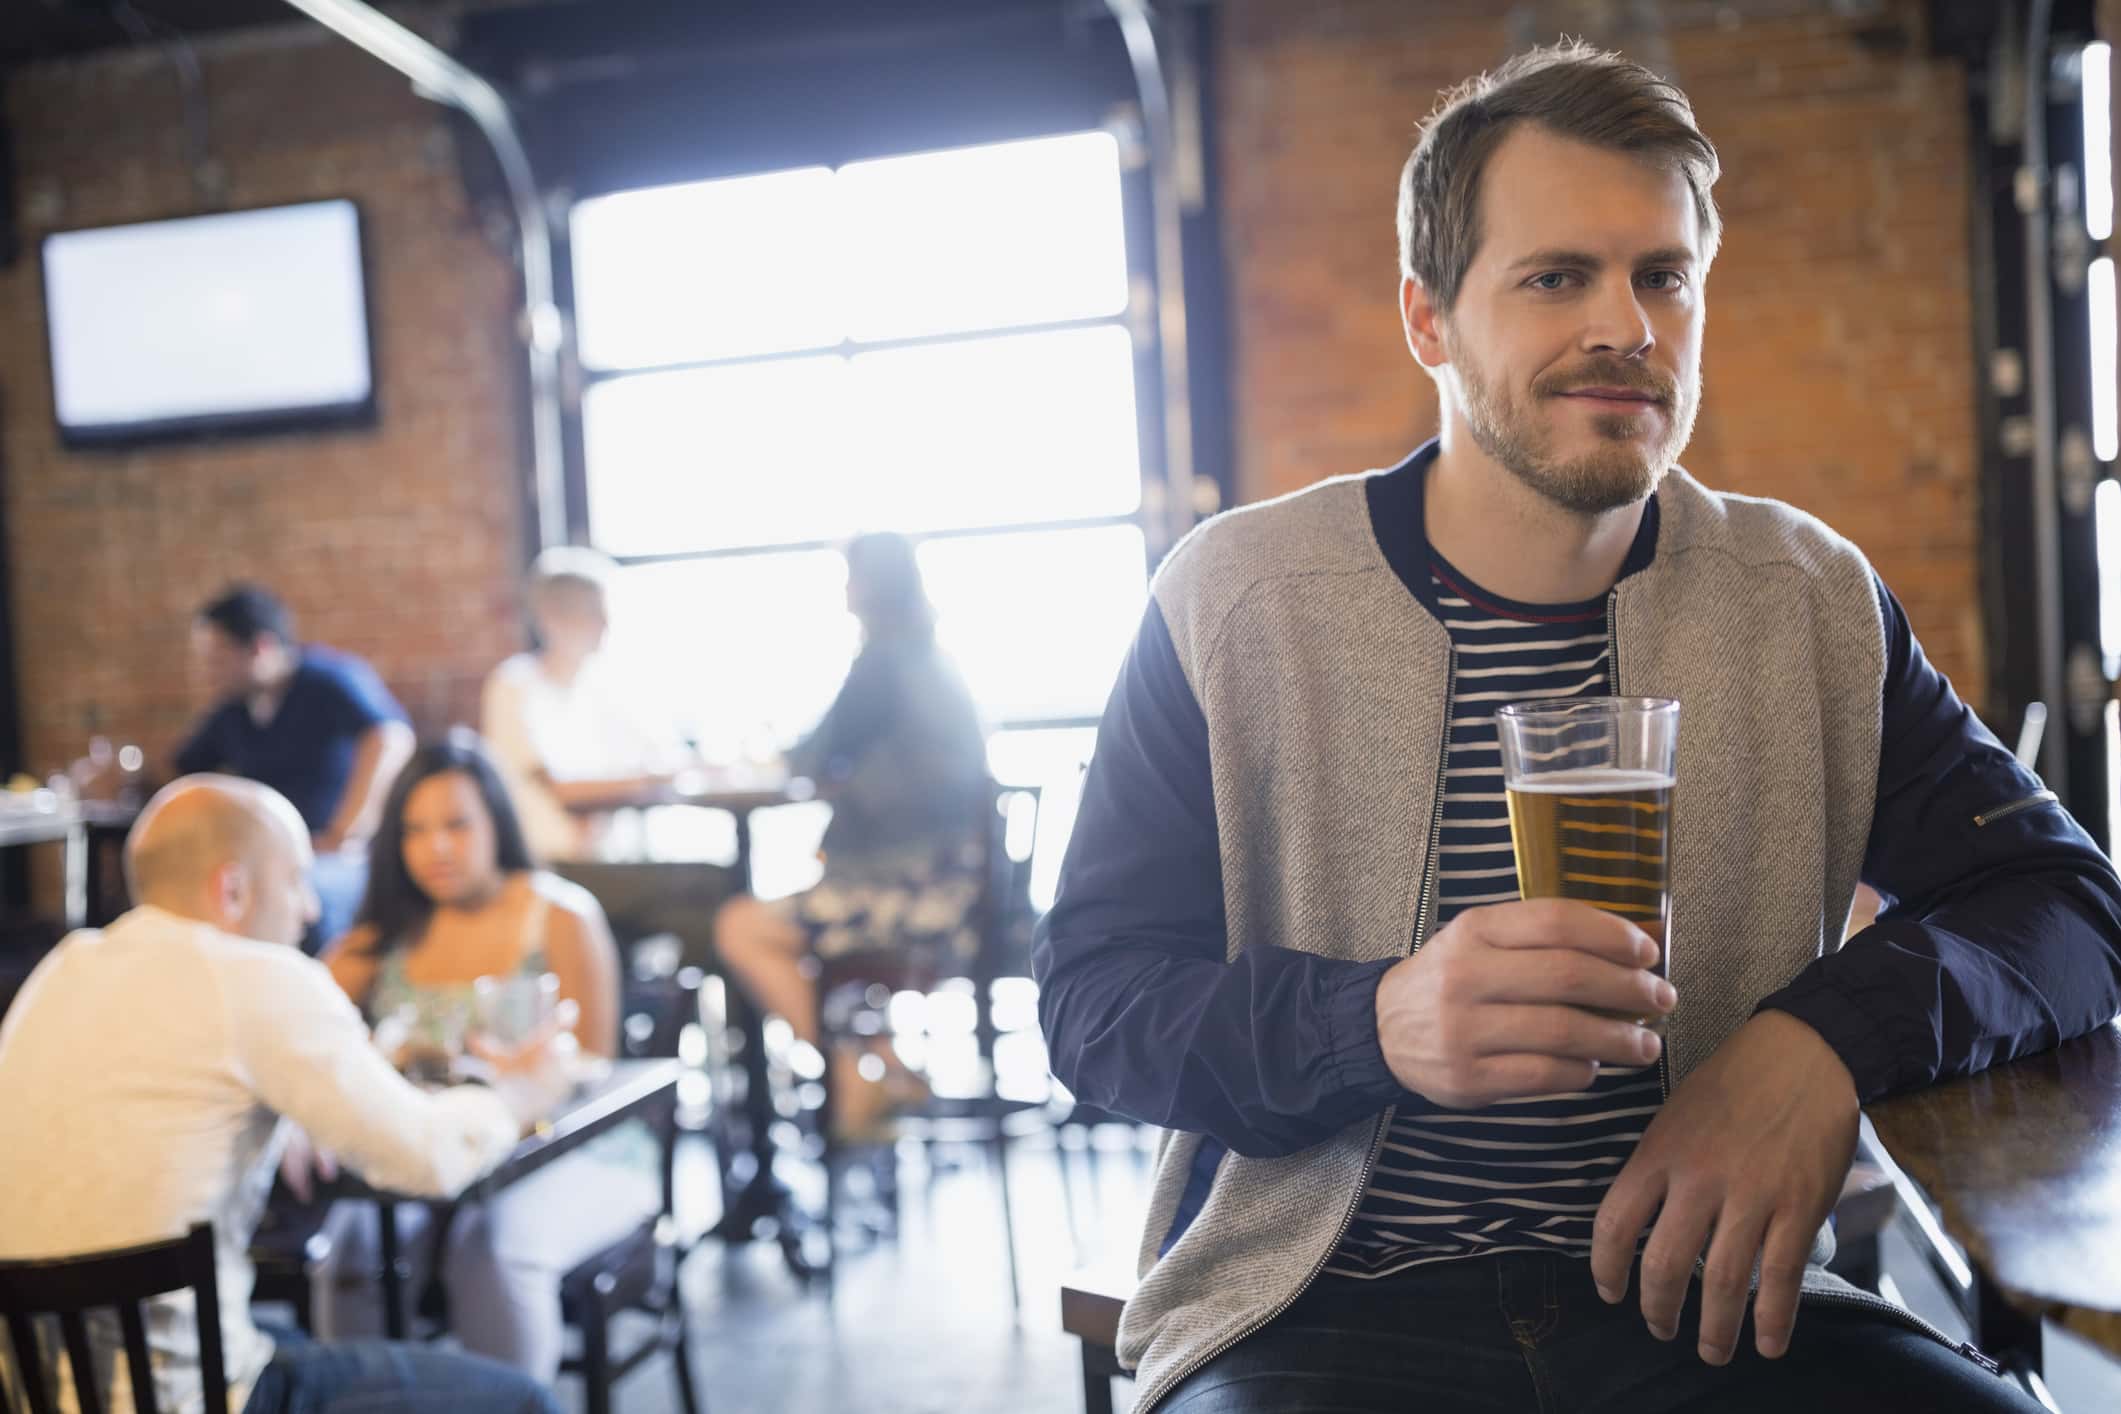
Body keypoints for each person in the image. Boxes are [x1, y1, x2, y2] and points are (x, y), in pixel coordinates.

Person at [1033, 41, 2121, 1414]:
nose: (1629, 325)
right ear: (1428, 319)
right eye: (1556, 277)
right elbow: (1094, 998)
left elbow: (2066, 901)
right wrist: (1375, 1022)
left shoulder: (1805, 599)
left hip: (1712, 1293)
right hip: (1321, 1306)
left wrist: (1819, 1041)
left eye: (1663, 276)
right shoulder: (1234, 599)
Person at [0, 775, 562, 1414]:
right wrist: (516, 1093)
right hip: (200, 1399)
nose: (312, 910)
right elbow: (429, 1160)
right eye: (297, 880)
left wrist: (282, 1119)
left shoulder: (61, 970)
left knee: (294, 1337)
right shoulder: (254, 974)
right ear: (232, 889)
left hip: (32, 1394)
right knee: (526, 1401)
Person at [316, 735, 658, 1383]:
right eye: (414, 831)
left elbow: (593, 1067)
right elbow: (301, 1029)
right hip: (437, 1155)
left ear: (495, 822)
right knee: (351, 1247)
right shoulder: (382, 934)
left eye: (456, 824)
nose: (436, 848)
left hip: (565, 1150)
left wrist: (531, 1074)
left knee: (492, 1252)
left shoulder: (558, 915)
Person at [714, 531, 991, 1134]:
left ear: (869, 585)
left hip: (915, 899)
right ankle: (888, 1069)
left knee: (740, 926)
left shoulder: (884, 661)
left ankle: (851, 1074)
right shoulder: (931, 658)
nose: (844, 591)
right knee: (812, 919)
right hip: (962, 888)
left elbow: (812, 757)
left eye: (849, 577)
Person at [480, 547, 728, 972]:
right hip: (552, 868)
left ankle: (677, 1032)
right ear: (553, 618)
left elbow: (661, 758)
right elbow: (565, 789)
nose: (606, 626)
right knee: (715, 885)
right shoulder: (516, 686)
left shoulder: (600, 690)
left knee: (712, 915)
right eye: (594, 613)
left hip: (608, 860)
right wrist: (645, 779)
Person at [174, 585, 415, 952]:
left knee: (301, 902)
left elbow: (391, 738)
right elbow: (182, 771)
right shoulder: (232, 712)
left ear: (261, 648)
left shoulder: (327, 680)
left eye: (219, 658)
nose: (210, 672)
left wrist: (343, 831)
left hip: (338, 858)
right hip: (270, 859)